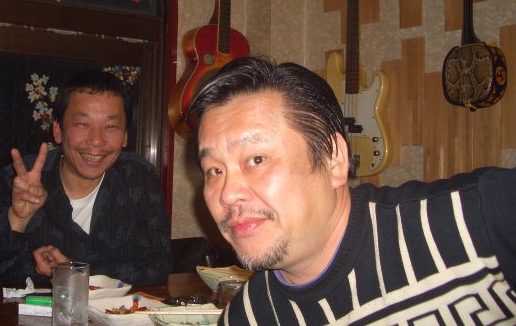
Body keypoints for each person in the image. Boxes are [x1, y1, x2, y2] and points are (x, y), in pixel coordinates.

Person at [189, 56, 516, 325]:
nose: (227, 194)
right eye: (214, 170)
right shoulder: (250, 318)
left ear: (334, 159)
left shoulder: (477, 220)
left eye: (256, 159)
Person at [0, 69, 172, 289]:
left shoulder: (137, 177)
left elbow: (158, 264)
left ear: (125, 136)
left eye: (111, 126)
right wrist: (17, 220)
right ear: (58, 130)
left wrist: (73, 270)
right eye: (82, 124)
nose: (96, 141)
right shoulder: (18, 180)